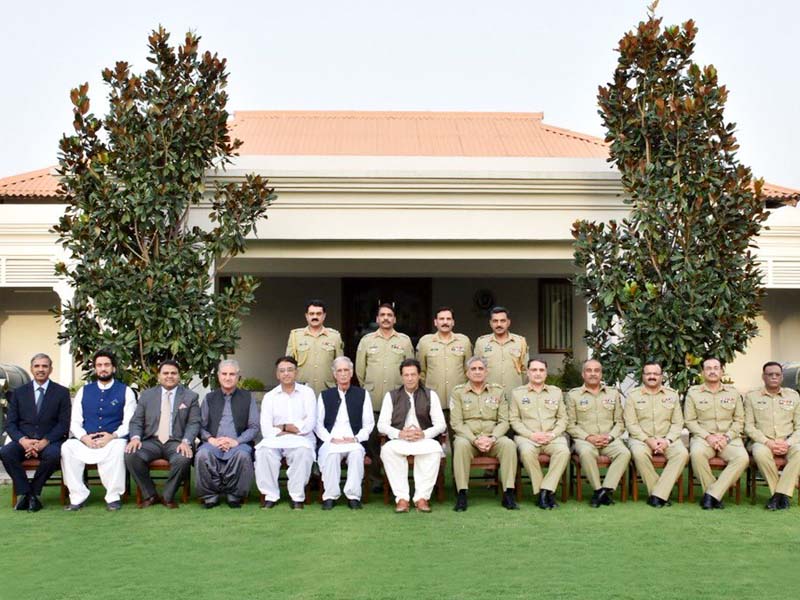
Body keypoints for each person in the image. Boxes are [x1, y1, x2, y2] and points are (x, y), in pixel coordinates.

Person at [61, 349, 137, 511]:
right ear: (95, 369)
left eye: (107, 365)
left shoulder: (126, 391)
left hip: (113, 440)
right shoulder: (84, 391)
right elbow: (74, 421)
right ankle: (77, 495)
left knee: (118, 448)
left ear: (114, 368)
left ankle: (113, 496)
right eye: (99, 365)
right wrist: (84, 438)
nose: (103, 368)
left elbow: (129, 422)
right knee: (67, 447)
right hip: (86, 440)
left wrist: (113, 436)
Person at [124, 360, 200, 509]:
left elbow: (194, 423)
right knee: (131, 454)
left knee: (184, 457)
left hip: (176, 442)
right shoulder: (147, 395)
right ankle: (150, 494)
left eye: (173, 373)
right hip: (151, 441)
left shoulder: (190, 396)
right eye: (165, 373)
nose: (169, 376)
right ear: (159, 376)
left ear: (179, 376)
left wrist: (186, 441)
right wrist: (135, 438)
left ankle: (167, 496)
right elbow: (137, 421)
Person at [0, 353, 70, 512]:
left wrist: (45, 441)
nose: (41, 369)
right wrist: (23, 440)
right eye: (37, 366)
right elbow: (10, 423)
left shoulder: (61, 392)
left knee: (54, 455)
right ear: (31, 369)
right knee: (5, 452)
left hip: (50, 442)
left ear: (51, 369)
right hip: (23, 441)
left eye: (45, 366)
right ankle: (26, 493)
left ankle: (33, 492)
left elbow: (63, 424)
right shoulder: (19, 393)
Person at [355, 302, 414, 488]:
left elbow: (410, 367)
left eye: (389, 315)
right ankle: (376, 479)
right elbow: (359, 370)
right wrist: (368, 387)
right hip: (373, 400)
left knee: (396, 439)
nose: (386, 318)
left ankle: (396, 479)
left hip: (397, 399)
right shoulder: (367, 340)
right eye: (382, 315)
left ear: (395, 319)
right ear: (377, 319)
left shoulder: (404, 341)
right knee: (372, 441)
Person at [450, 356, 518, 511]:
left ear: (486, 372)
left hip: (493, 438)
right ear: (467, 373)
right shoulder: (458, 392)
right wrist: (475, 440)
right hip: (469, 439)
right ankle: (462, 493)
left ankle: (508, 492)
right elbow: (457, 423)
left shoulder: (498, 391)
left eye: (481, 368)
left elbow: (504, 421)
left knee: (508, 444)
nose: (477, 372)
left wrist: (492, 438)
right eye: (473, 369)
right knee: (459, 444)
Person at [378, 358, 446, 513]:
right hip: (401, 440)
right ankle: (402, 498)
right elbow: (381, 424)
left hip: (423, 440)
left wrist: (424, 434)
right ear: (402, 376)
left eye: (413, 375)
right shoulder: (392, 396)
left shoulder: (430, 395)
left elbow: (441, 424)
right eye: (406, 375)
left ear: (419, 375)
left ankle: (422, 498)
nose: (410, 378)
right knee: (387, 450)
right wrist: (399, 433)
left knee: (434, 449)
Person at [684, 357, 748, 510]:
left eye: (716, 368)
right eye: (708, 368)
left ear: (722, 371)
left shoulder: (733, 393)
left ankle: (711, 495)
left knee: (742, 458)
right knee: (697, 454)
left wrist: (726, 437)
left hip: (729, 438)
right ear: (702, 372)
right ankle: (715, 495)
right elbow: (690, 421)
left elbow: (739, 421)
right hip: (703, 438)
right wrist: (708, 437)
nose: (712, 371)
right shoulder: (693, 393)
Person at [566, 359, 630, 508]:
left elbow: (620, 422)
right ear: (583, 374)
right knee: (586, 453)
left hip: (609, 439)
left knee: (624, 453)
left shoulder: (613, 394)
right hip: (585, 439)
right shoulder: (573, 395)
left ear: (601, 374)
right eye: (589, 370)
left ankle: (604, 490)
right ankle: (597, 489)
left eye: (597, 371)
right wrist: (589, 437)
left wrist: (609, 437)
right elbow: (570, 424)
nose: (593, 374)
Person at [196, 359, 259, 509]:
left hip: (238, 444)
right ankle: (210, 496)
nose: (228, 377)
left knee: (243, 455)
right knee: (202, 454)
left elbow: (254, 426)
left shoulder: (247, 397)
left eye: (232, 374)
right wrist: (211, 439)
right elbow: (200, 426)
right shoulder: (209, 398)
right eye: (224, 374)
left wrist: (236, 441)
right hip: (213, 443)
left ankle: (235, 495)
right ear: (218, 376)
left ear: (238, 377)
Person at [624, 362, 688, 508]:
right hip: (641, 439)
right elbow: (631, 424)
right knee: (639, 454)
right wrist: (648, 440)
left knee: (682, 454)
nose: (652, 376)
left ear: (661, 376)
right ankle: (660, 494)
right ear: (643, 376)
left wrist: (667, 440)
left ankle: (657, 495)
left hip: (667, 438)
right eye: (648, 374)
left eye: (655, 374)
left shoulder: (672, 395)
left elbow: (678, 423)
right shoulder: (633, 396)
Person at [256, 356, 316, 510]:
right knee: (263, 451)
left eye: (290, 370)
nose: (286, 374)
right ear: (277, 374)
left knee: (302, 452)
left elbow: (309, 423)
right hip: (276, 439)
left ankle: (296, 496)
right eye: (282, 371)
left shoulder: (307, 393)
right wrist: (286, 427)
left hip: (301, 439)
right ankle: (270, 495)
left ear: (296, 372)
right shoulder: (270, 397)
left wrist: (282, 428)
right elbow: (266, 428)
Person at [314, 356, 373, 510]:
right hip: (332, 439)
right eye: (339, 371)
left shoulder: (362, 394)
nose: (343, 374)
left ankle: (353, 496)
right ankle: (330, 496)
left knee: (356, 454)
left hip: (353, 439)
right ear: (334, 374)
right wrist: (330, 439)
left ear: (351, 373)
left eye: (346, 370)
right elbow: (318, 424)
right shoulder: (325, 395)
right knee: (331, 455)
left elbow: (368, 424)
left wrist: (356, 438)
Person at [509, 358, 569, 509]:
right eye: (534, 370)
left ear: (546, 373)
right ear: (528, 373)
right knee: (527, 453)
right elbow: (514, 420)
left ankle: (546, 491)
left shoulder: (556, 392)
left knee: (563, 451)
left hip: (552, 437)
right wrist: (531, 435)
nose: (538, 373)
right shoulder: (517, 393)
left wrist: (553, 434)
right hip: (527, 437)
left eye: (541, 370)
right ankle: (543, 492)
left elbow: (563, 418)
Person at [744, 361, 800, 510]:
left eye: (777, 375)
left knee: (799, 452)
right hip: (762, 442)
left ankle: (777, 496)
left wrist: (787, 443)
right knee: (759, 452)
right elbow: (748, 426)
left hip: (788, 441)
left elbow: (799, 427)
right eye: (770, 374)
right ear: (763, 377)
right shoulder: (752, 397)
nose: (774, 377)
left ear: (782, 377)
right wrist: (767, 442)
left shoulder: (794, 396)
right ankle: (783, 495)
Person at [416, 307, 472, 426]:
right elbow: (421, 372)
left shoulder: (464, 341)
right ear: (435, 322)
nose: (445, 322)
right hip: (433, 398)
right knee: (433, 435)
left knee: (457, 436)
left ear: (453, 322)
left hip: (458, 398)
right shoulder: (425, 342)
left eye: (448, 319)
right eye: (441, 319)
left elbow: (469, 371)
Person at [285, 299, 344, 396]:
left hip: (327, 389)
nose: (315, 316)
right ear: (306, 316)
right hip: (302, 390)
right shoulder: (295, 336)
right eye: (311, 314)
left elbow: (340, 365)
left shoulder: (334, 336)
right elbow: (288, 365)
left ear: (324, 316)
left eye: (318, 314)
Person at [474, 306, 529, 393]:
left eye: (502, 321)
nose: (499, 324)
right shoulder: (481, 343)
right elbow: (476, 370)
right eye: (495, 321)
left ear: (508, 322)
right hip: (489, 394)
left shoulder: (520, 342)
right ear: (490, 323)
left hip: (514, 393)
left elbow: (525, 370)